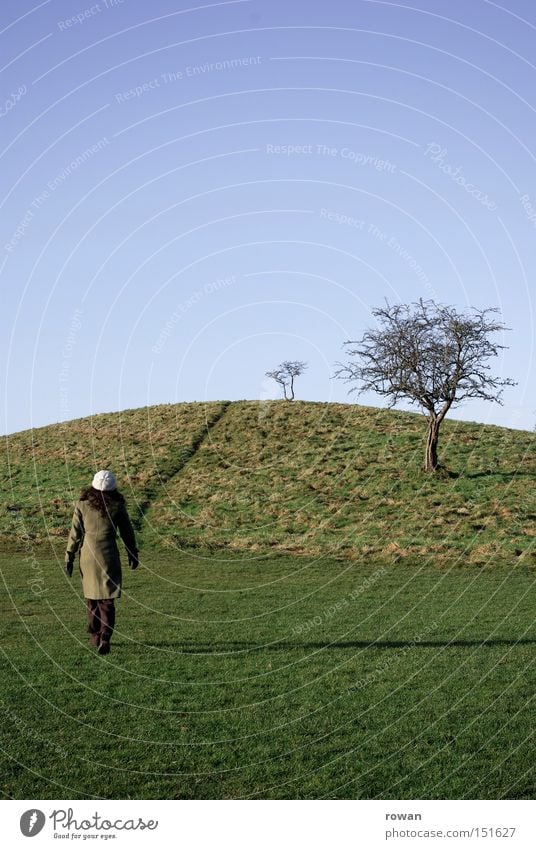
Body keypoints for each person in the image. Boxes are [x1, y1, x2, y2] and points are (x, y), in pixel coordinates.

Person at [64, 470, 139, 655]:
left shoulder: (82, 505)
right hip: (108, 556)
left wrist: (69, 556)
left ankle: (95, 634)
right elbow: (127, 532)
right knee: (107, 599)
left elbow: (75, 534)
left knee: (92, 598)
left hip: (88, 555)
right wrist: (133, 552)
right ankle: (105, 634)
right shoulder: (118, 505)